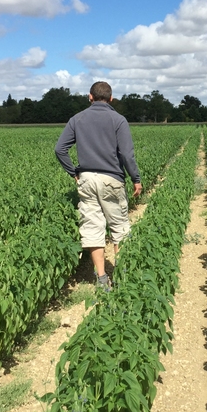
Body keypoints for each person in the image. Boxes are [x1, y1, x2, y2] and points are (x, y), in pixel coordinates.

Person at [55, 81, 142, 288]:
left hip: (86, 179)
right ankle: (122, 277)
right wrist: (136, 179)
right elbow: (126, 154)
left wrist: (74, 172)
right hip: (111, 179)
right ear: (111, 99)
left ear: (90, 97)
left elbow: (60, 149)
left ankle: (102, 279)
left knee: (93, 227)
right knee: (119, 227)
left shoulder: (77, 119)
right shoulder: (118, 120)